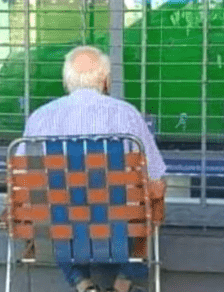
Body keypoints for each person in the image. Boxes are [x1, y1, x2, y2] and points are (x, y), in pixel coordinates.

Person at [22, 46, 167, 292]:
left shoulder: (40, 119)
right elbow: (156, 181)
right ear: (106, 81)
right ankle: (123, 283)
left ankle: (82, 284)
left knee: (52, 207)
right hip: (119, 226)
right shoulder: (127, 115)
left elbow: (25, 184)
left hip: (63, 225)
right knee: (151, 204)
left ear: (66, 82)